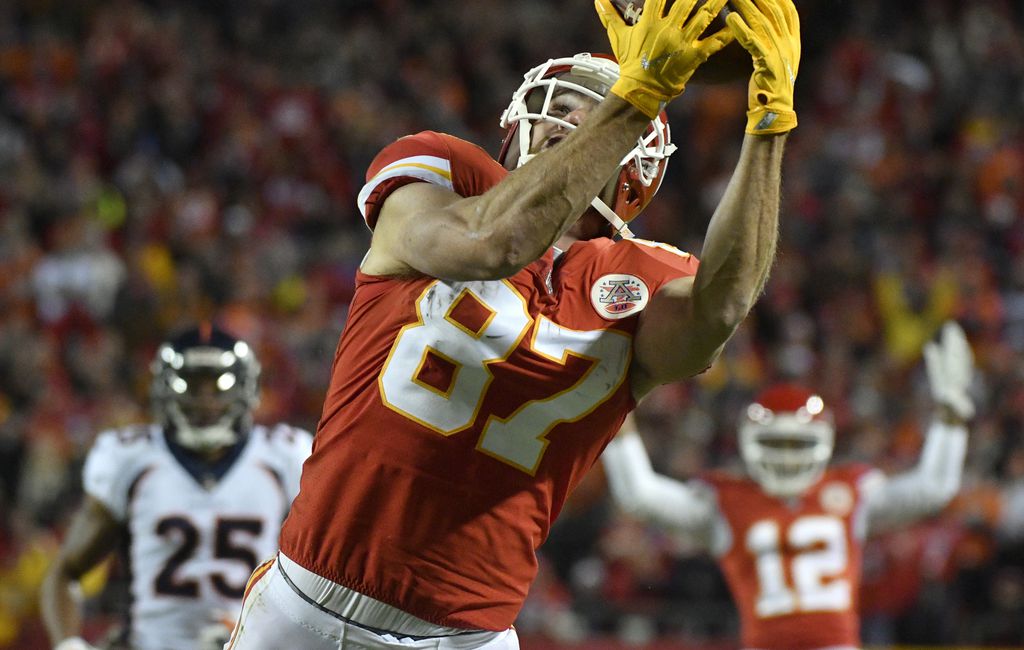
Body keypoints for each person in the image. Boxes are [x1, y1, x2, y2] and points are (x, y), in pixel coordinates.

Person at [226, 0, 802, 647]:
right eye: (567, 104)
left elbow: (720, 308)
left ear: (636, 170)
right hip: (308, 605)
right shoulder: (446, 174)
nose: (573, 120)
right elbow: (493, 242)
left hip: (469, 634)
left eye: (596, 110)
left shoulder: (643, 275)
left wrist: (770, 124)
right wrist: (638, 94)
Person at [601, 321, 975, 650]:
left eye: (796, 444)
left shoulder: (840, 493)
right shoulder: (736, 501)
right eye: (776, 444)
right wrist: (614, 402)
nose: (786, 457)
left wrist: (951, 416)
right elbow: (639, 495)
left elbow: (933, 489)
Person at [39, 325, 313, 650]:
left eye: (217, 387)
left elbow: (316, 572)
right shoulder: (131, 459)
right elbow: (65, 573)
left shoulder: (284, 456)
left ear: (245, 387)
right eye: (193, 387)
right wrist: (69, 645)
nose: (205, 401)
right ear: (164, 389)